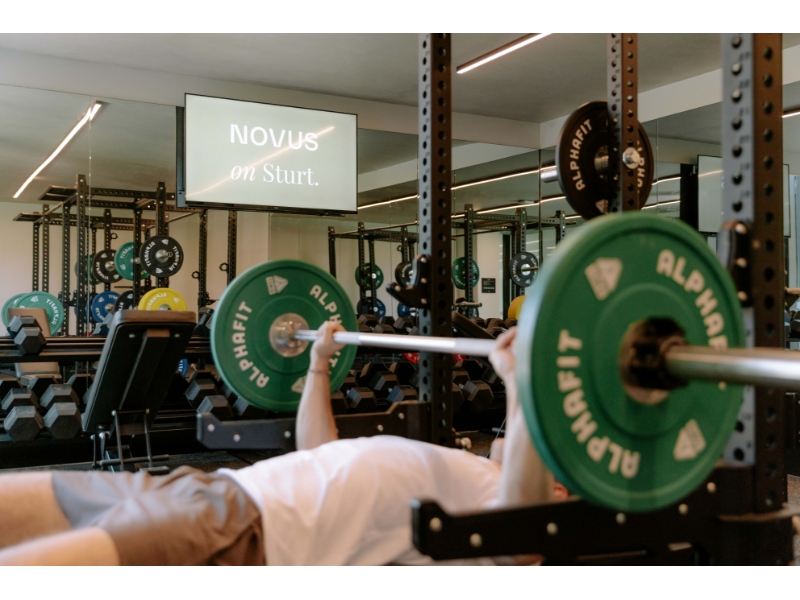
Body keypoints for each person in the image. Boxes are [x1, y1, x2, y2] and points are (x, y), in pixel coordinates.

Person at [0, 323, 560, 566]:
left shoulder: (506, 522)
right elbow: (318, 448)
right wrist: (319, 364)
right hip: (209, 488)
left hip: (239, 532)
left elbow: (521, 539)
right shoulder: (471, 468)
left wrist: (525, 386)